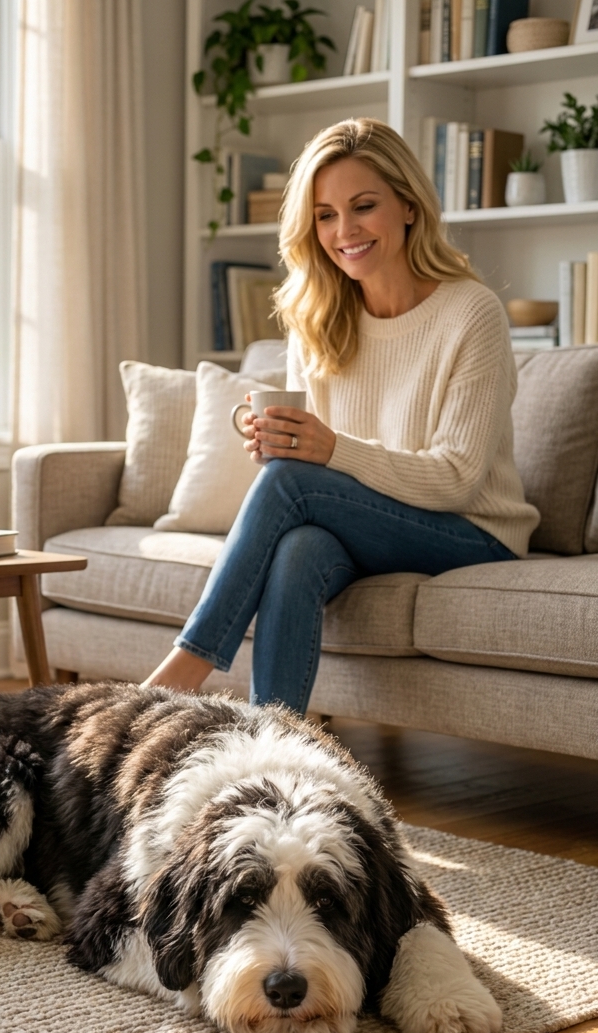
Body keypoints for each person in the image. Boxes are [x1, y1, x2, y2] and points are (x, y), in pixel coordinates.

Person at [144, 117, 539, 714]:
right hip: (365, 523)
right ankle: (271, 747)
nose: (343, 230)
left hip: (471, 532)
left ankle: (179, 674)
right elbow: (314, 469)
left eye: (363, 207)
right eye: (325, 215)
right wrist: (277, 439)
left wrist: (325, 451)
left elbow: (457, 477)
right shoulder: (321, 317)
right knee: (299, 547)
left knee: (291, 484)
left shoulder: (470, 313)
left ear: (408, 206)